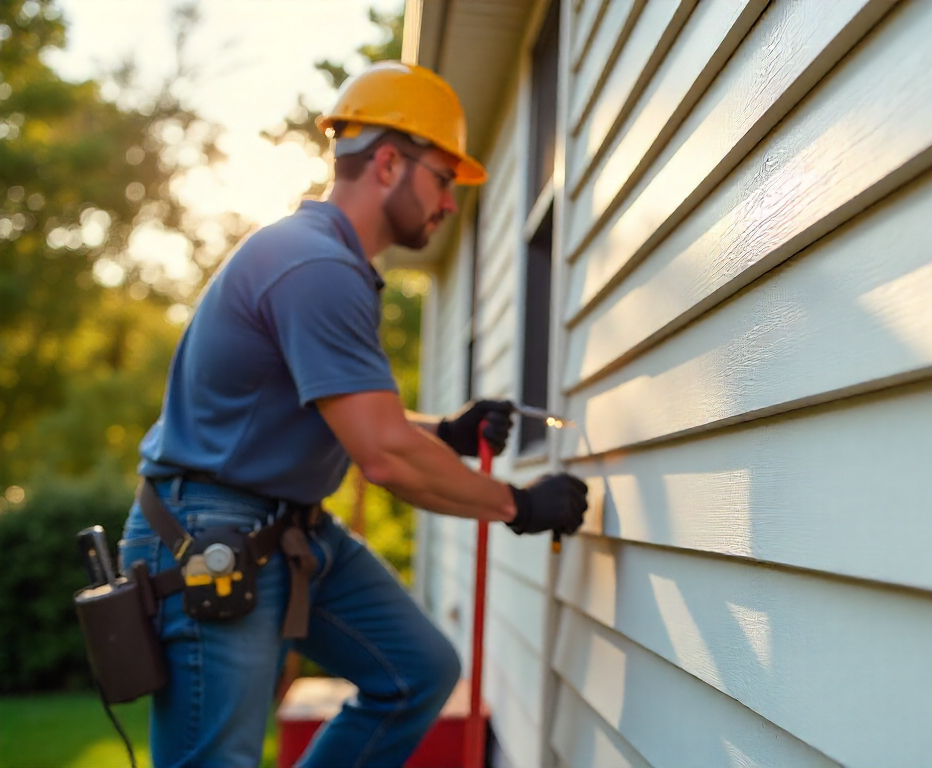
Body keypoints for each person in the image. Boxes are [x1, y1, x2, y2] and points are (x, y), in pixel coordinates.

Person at [117, 61, 588, 768]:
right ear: (390, 163)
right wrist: (515, 504)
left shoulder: (328, 264)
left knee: (415, 672)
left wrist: (450, 435)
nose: (450, 203)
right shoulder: (313, 268)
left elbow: (352, 417)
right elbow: (383, 455)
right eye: (442, 178)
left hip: (290, 529)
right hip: (210, 535)